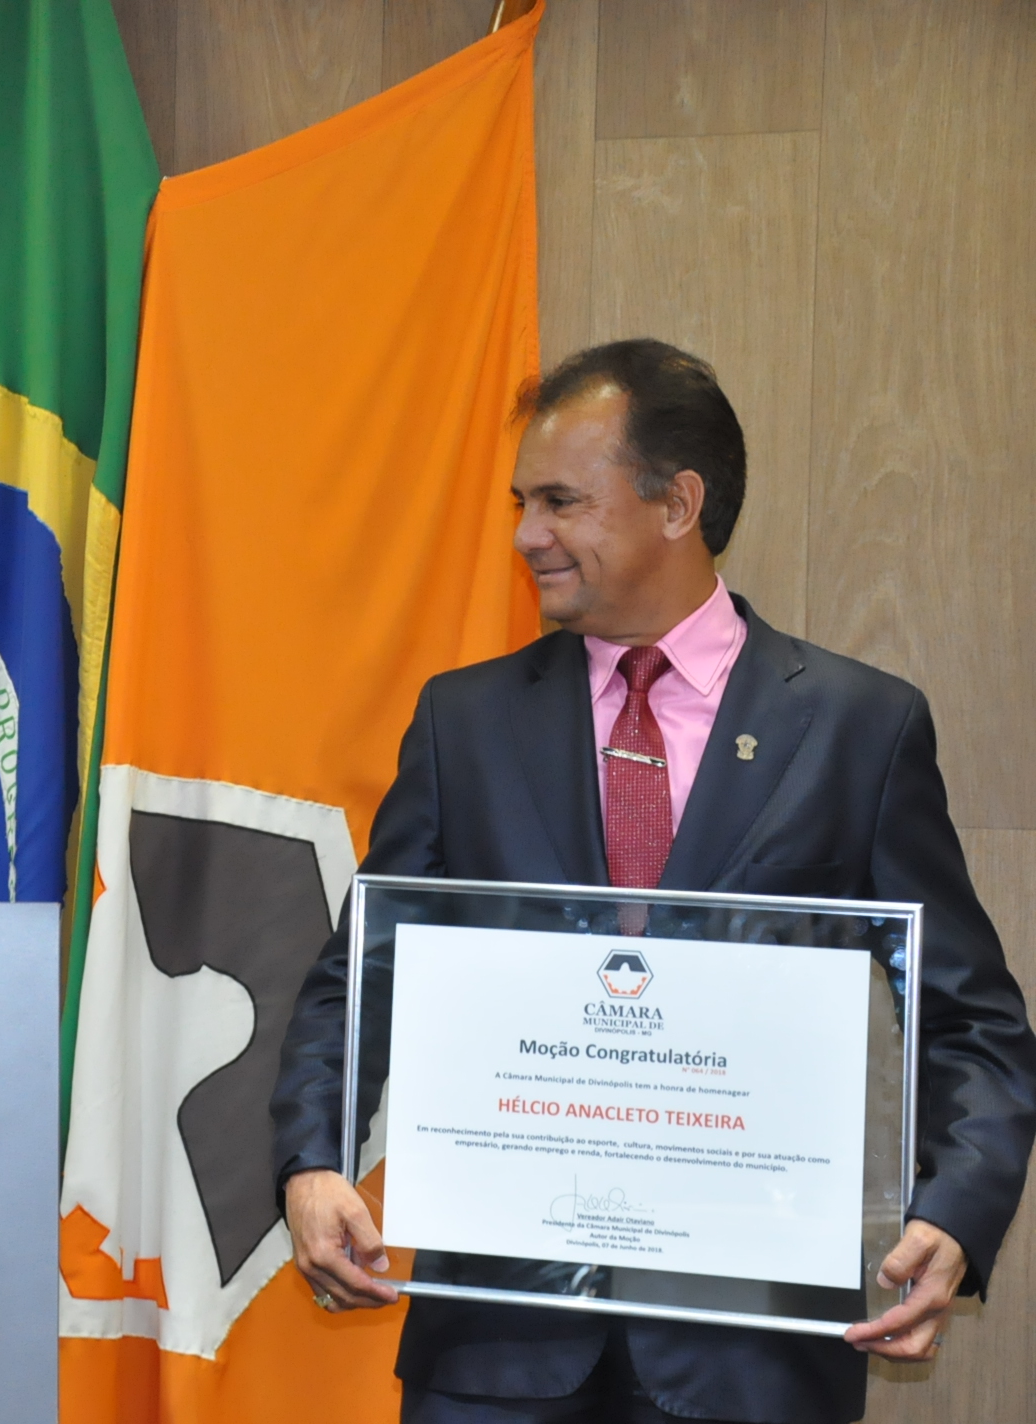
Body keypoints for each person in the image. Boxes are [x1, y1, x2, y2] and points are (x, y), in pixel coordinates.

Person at [271, 340, 1036, 1423]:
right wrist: (312, 1163)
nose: (525, 534)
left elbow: (969, 1021)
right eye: (521, 502)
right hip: (496, 1353)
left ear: (677, 503)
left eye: (560, 501)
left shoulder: (859, 728)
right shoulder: (463, 723)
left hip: (751, 1358)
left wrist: (952, 1211)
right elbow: (358, 978)